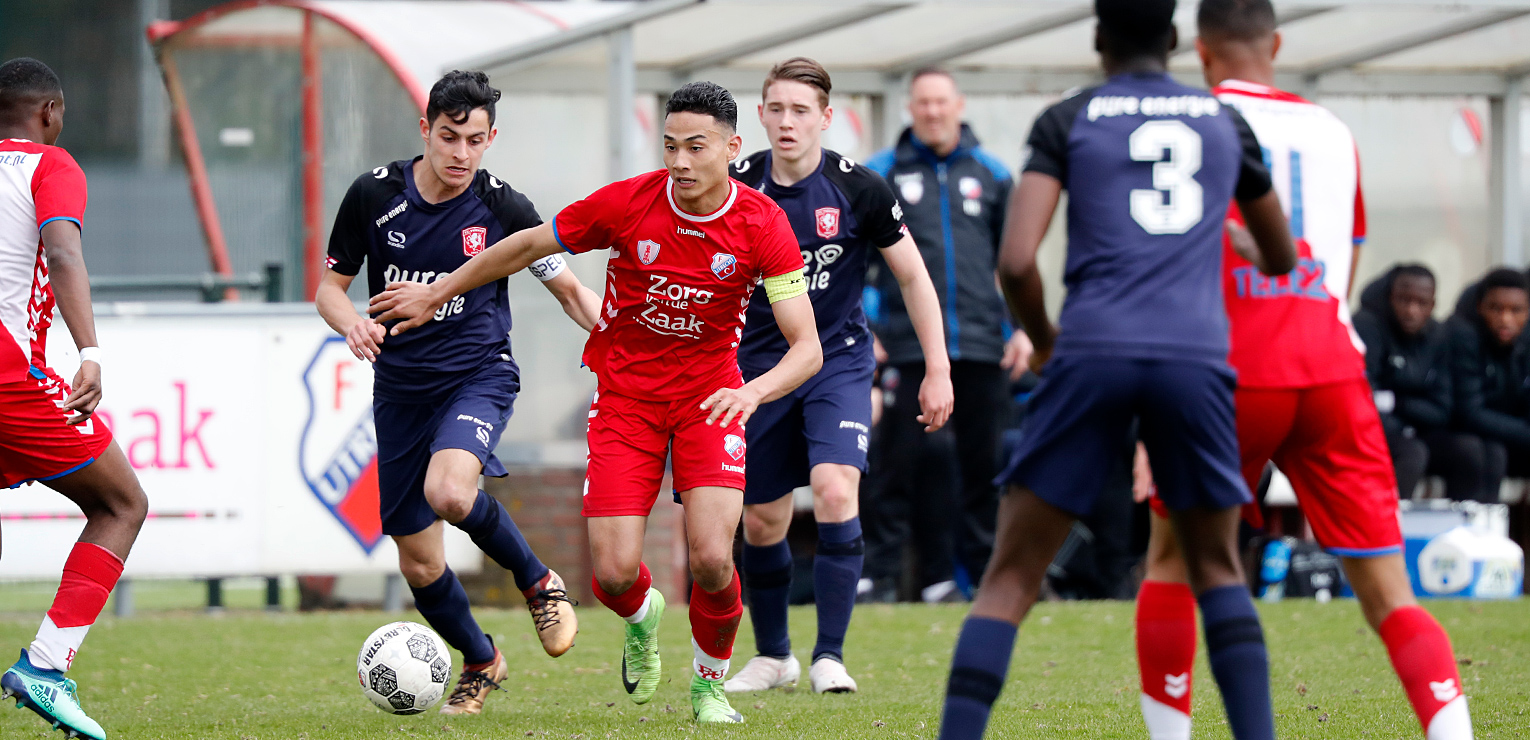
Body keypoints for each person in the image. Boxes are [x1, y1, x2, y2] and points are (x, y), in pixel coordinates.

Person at [369, 81, 823, 725]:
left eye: (697, 147)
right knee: (611, 575)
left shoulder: (763, 224)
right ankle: (643, 618)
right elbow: (528, 246)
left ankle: (708, 686)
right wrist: (436, 291)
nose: (681, 161)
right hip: (626, 402)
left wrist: (750, 392)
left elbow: (808, 349)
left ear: (732, 147)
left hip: (711, 402)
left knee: (713, 556)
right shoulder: (626, 204)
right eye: (670, 146)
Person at [936, 1, 1300, 738]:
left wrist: (1043, 340)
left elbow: (1015, 261)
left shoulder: (1068, 117)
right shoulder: (1221, 120)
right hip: (1193, 356)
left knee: (1010, 577)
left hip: (1093, 349)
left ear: (1098, 38)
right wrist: (1220, 234)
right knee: (1219, 570)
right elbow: (1283, 256)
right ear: (1174, 40)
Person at [1129, 5, 1477, 740]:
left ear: (1200, 51)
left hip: (1224, 371)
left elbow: (1162, 266)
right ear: (1277, 44)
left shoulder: (1184, 119)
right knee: (1389, 589)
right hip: (1327, 367)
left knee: (1172, 563)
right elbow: (1342, 264)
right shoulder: (1332, 130)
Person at [315, 70, 593, 715]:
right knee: (418, 562)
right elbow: (331, 287)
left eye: (474, 140)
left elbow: (572, 290)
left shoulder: (503, 209)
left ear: (491, 137)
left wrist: (623, 341)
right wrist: (352, 321)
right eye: (448, 137)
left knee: (449, 491)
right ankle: (481, 660)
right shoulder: (373, 196)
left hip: (478, 375)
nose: (460, 154)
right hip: (401, 391)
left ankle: (539, 583)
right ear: (425, 131)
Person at [723, 58, 953, 695]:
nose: (788, 121)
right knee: (763, 521)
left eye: (802, 111)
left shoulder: (861, 189)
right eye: (777, 109)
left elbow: (913, 276)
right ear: (761, 114)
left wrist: (937, 367)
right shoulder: (733, 186)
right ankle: (774, 657)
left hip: (838, 362)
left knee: (833, 489)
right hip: (758, 371)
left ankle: (829, 655)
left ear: (826, 119)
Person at [0, 57, 150, 740]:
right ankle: (47, 666)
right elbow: (63, 253)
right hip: (9, 379)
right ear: (50, 113)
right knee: (121, 502)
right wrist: (89, 351)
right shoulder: (51, 166)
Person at [863, 68, 1028, 601]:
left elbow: (1016, 262)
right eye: (923, 103)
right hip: (907, 346)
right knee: (895, 467)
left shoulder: (994, 173)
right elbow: (855, 263)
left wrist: (1020, 329)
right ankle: (883, 578)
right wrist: (868, 327)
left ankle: (982, 578)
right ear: (910, 109)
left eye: (941, 102)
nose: (932, 112)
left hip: (983, 346)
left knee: (984, 470)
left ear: (958, 104)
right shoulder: (881, 173)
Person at [1356, 264, 1490, 502]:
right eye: (1404, 300)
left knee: (1470, 451)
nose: (1411, 310)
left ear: (1432, 305)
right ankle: (1390, 534)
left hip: (1418, 431)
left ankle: (1462, 533)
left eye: (1421, 303)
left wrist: (1397, 402)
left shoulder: (1438, 335)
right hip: (1375, 434)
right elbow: (1363, 399)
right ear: (1390, 298)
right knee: (1412, 453)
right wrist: (1407, 416)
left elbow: (1442, 409)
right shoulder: (1367, 325)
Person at [1449, 267, 1530, 495]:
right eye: (1496, 309)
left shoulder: (1526, 340)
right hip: (1468, 436)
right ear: (1480, 307)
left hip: (1510, 434)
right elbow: (1469, 412)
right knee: (1485, 452)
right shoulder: (1463, 337)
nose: (1505, 319)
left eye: (1516, 310)